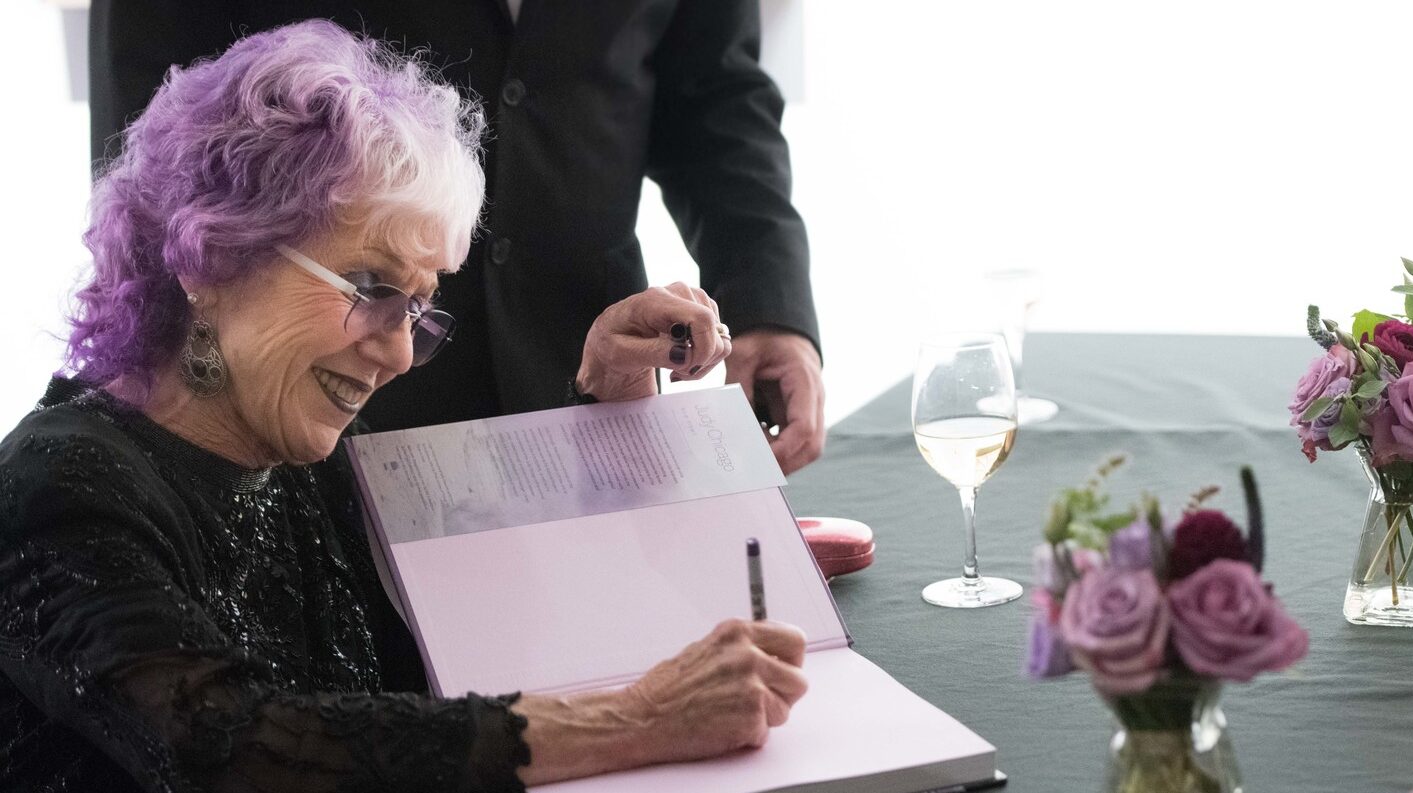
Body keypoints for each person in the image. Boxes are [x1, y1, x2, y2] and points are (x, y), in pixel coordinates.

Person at [1, 21, 806, 791]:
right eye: (373, 289)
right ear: (210, 254)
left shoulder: (292, 452)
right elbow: (239, 749)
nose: (394, 354)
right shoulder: (57, 489)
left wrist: (606, 397)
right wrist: (642, 718)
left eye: (418, 311)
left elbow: (457, 653)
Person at [90, 0, 828, 475]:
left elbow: (714, 95)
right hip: (307, 405)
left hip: (580, 377)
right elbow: (155, 158)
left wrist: (768, 302)